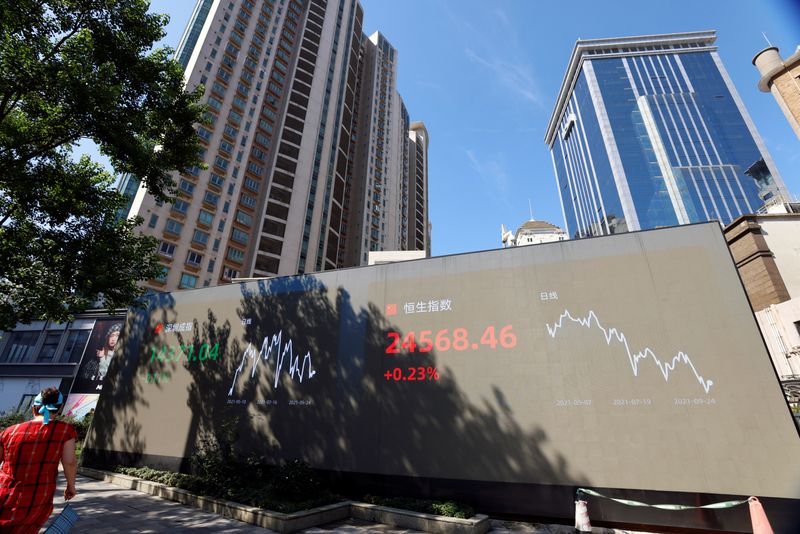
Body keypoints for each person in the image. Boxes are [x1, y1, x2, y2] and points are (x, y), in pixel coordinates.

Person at [0, 387, 78, 533]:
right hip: (37, 496)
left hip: (5, 493)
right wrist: (71, 486)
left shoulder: (10, 431)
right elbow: (69, 462)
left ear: (33, 408)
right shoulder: (65, 431)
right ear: (59, 408)